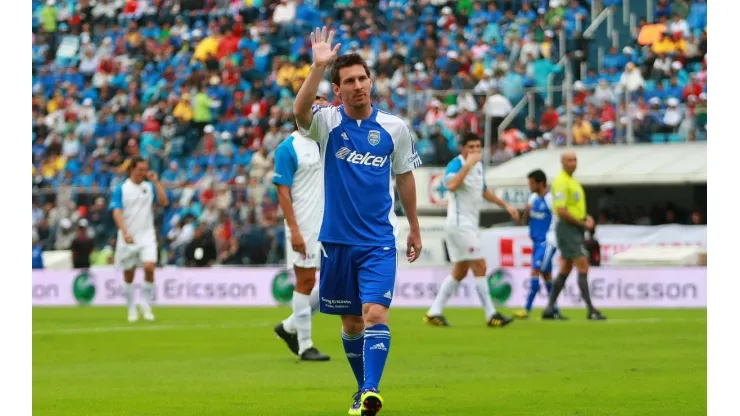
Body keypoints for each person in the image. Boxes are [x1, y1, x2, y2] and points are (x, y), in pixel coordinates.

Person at [292, 27, 423, 416]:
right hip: (336, 242)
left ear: (371, 81)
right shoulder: (328, 123)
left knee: (375, 315)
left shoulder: (394, 128)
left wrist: (414, 225)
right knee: (351, 324)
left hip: (379, 239)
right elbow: (299, 113)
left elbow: (405, 176)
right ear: (337, 90)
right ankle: (360, 390)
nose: (358, 85)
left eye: (363, 78)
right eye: (349, 81)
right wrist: (317, 67)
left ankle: (370, 390)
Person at [424, 133, 518, 328]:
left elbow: (483, 191)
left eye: (478, 147)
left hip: (470, 225)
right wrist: (467, 165)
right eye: (471, 147)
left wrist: (505, 206)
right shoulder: (456, 165)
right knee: (480, 265)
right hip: (459, 224)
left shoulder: (479, 167)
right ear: (463, 149)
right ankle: (491, 314)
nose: (475, 151)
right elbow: (451, 185)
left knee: (460, 270)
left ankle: (434, 312)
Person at [272, 96, 332, 362]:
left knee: (333, 284)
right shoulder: (289, 147)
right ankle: (305, 345)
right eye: (316, 105)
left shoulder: (328, 143)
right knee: (306, 281)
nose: (322, 109)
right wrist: (294, 230)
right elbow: (283, 193)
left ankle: (288, 326)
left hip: (332, 224)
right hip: (304, 225)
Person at [542, 152, 607, 320]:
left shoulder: (572, 182)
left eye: (575, 160)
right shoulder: (561, 182)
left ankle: (549, 309)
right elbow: (561, 210)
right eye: (569, 160)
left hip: (574, 227)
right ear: (562, 162)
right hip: (567, 228)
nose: (572, 163)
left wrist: (585, 217)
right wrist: (581, 223)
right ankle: (591, 309)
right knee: (583, 264)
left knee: (566, 267)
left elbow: (574, 207)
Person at [109, 156, 168, 322]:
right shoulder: (122, 189)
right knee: (129, 274)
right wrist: (125, 232)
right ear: (132, 170)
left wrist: (157, 182)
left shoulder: (149, 187)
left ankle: (145, 303)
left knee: (150, 267)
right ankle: (131, 308)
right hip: (128, 236)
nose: (143, 173)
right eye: (140, 170)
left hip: (147, 234)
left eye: (145, 170)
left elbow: (164, 202)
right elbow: (116, 211)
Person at [514, 170, 561, 319]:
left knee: (535, 271)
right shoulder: (532, 198)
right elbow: (525, 221)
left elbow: (558, 219)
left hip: (547, 242)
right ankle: (555, 310)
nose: (529, 186)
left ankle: (526, 309)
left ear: (540, 183)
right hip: (536, 242)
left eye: (531, 183)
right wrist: (526, 212)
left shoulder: (550, 199)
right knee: (546, 275)